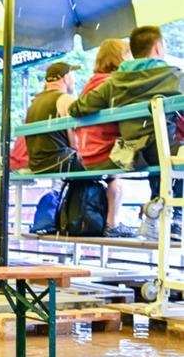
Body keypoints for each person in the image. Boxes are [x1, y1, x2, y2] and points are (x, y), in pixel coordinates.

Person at [69, 26, 184, 239]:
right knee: (173, 153)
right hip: (163, 149)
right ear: (158, 48)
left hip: (131, 152)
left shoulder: (115, 81)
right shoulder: (174, 77)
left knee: (163, 154)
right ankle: (174, 217)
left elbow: (77, 108)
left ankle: (160, 211)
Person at [71, 39, 136, 238]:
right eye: (129, 54)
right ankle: (114, 223)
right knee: (155, 152)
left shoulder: (90, 84)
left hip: (86, 154)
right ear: (121, 57)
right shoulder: (114, 84)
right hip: (105, 153)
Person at [24, 62, 84, 174]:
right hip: (60, 162)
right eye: (72, 75)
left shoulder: (34, 103)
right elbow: (75, 143)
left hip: (36, 166)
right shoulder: (65, 99)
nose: (74, 80)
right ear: (65, 77)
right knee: (103, 163)